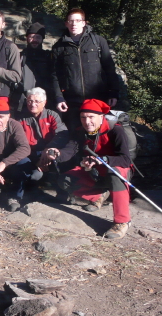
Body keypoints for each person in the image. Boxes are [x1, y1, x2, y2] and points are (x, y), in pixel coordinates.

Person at [44, 99, 132, 239]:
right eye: (83, 117)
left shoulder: (116, 130)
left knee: (114, 173)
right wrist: (58, 154)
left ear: (101, 117)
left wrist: (102, 160)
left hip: (115, 171)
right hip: (93, 171)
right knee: (65, 180)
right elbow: (70, 150)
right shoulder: (80, 132)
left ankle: (122, 221)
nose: (87, 121)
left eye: (91, 117)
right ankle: (98, 196)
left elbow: (126, 160)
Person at [50, 8, 119, 130]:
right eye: (70, 21)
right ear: (66, 24)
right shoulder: (59, 47)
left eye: (77, 20)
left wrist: (113, 92)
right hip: (72, 102)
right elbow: (55, 75)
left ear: (84, 23)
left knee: (98, 135)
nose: (74, 24)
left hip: (97, 99)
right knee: (74, 137)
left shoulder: (98, 42)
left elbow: (109, 68)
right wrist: (59, 97)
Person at [18, 87, 69, 176]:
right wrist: (37, 161)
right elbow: (19, 143)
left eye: (37, 101)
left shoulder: (52, 115)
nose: (33, 104)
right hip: (31, 154)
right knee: (33, 175)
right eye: (30, 101)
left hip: (50, 151)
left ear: (44, 103)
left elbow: (62, 134)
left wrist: (49, 149)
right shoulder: (21, 119)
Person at [12, 22, 51, 115]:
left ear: (42, 39)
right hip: (22, 103)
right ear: (27, 38)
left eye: (38, 37)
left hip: (43, 102)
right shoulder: (20, 57)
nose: (35, 40)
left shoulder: (48, 57)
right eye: (32, 37)